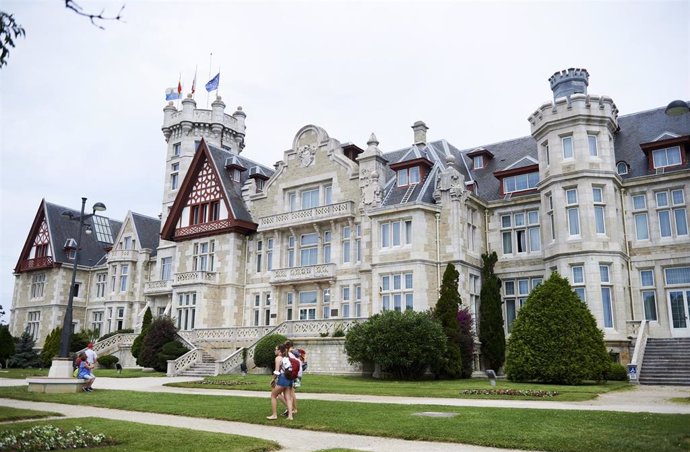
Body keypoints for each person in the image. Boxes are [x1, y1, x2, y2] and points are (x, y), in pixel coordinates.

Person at [267, 344, 293, 420]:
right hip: (289, 378)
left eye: (276, 349)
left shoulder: (278, 358)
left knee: (273, 395)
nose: (274, 351)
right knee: (288, 397)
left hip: (283, 378)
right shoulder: (286, 358)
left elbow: (277, 371)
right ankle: (290, 416)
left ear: (279, 351)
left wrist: (272, 379)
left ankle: (274, 415)